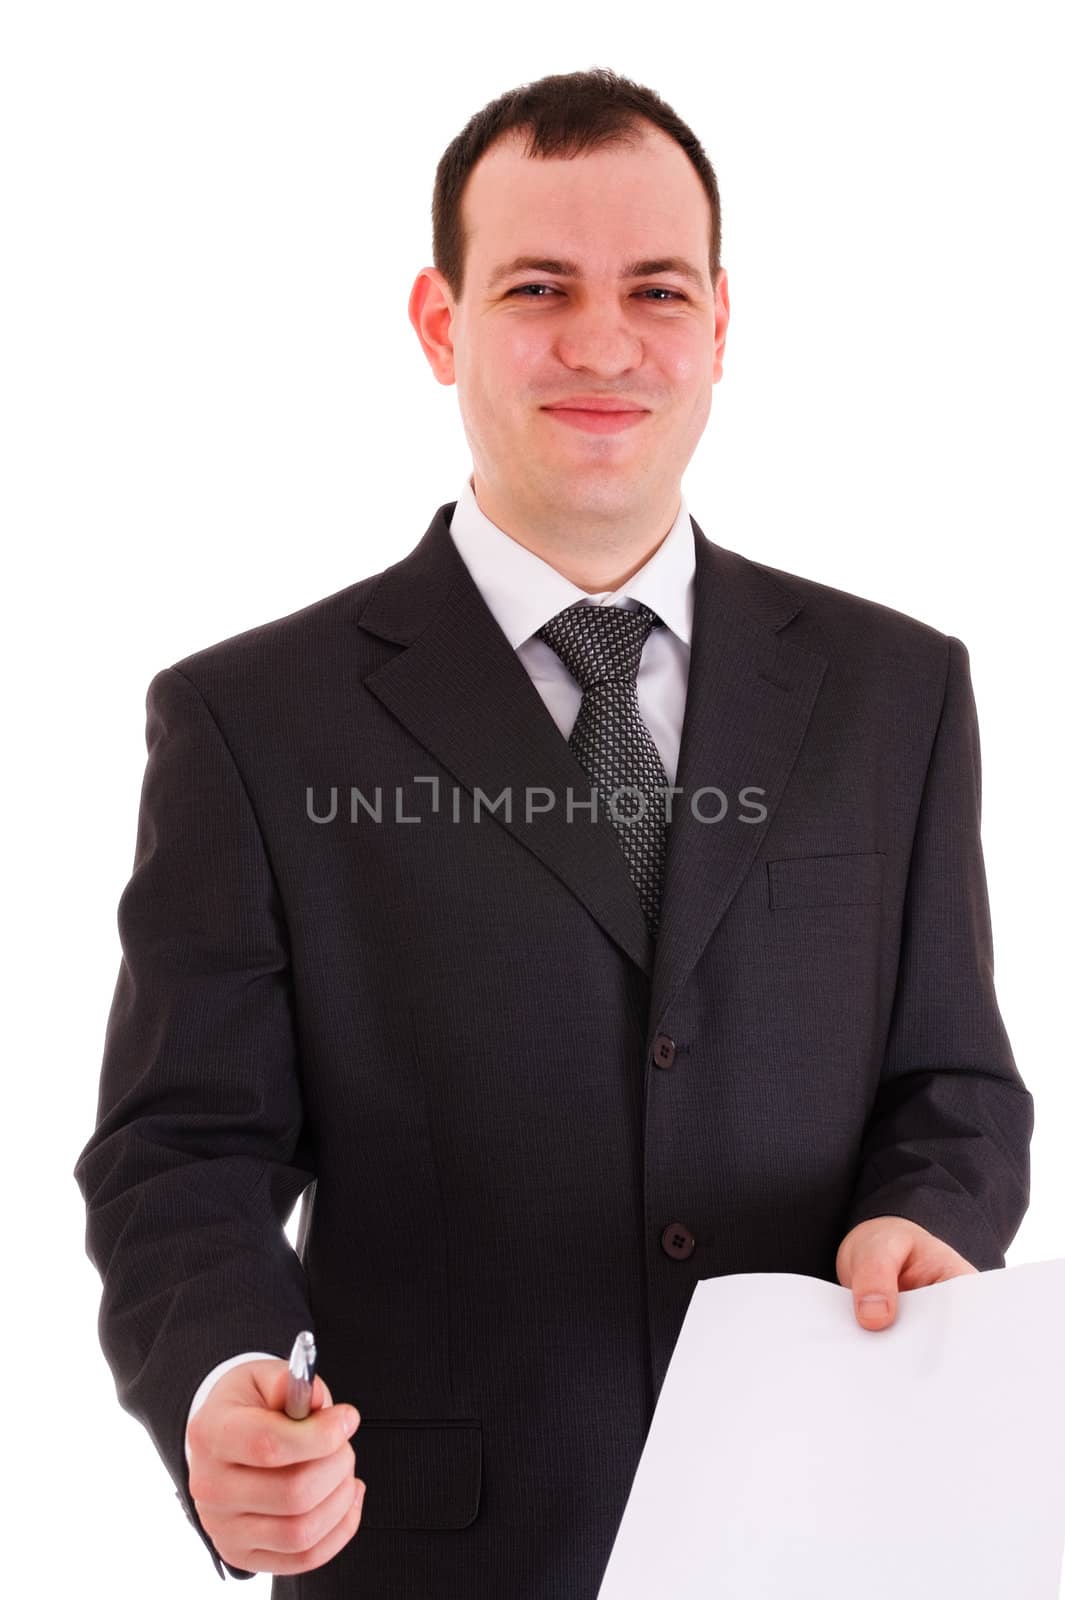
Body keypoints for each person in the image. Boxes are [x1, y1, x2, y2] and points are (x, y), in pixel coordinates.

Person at [73, 66, 1034, 1598]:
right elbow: (184, 1148)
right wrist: (223, 1384)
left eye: (655, 288)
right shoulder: (254, 720)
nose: (603, 343)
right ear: (441, 322)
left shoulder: (893, 690)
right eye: (538, 286)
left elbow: (954, 1085)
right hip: (437, 1551)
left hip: (835, 1526)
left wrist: (924, 1216)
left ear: (720, 323)